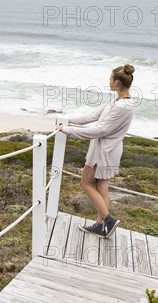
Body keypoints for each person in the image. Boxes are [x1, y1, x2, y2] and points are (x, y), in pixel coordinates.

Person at [55, 64, 135, 238]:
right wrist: (67, 120)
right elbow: (92, 117)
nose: (108, 82)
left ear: (117, 83)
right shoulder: (117, 100)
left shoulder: (122, 106)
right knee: (101, 186)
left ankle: (108, 220)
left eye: (110, 79)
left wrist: (68, 130)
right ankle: (101, 226)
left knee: (85, 183)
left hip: (103, 151)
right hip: (109, 149)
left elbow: (100, 130)